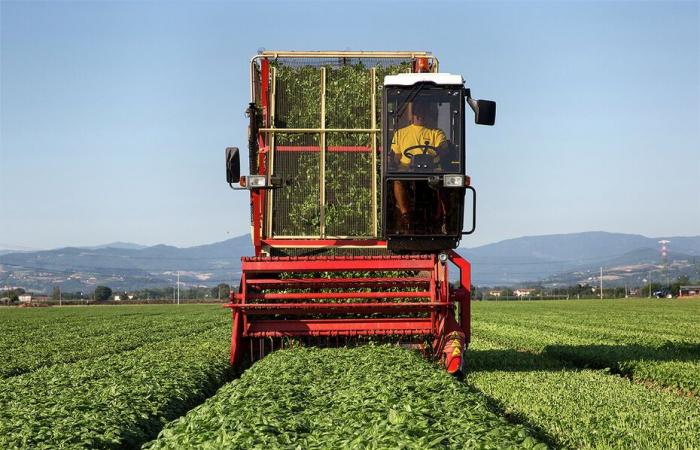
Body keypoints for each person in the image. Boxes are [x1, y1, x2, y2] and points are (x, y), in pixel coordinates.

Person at [389, 101, 449, 233]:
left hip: (432, 169)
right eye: (418, 113)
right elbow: (397, 156)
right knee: (397, 180)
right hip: (407, 169)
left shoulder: (437, 133)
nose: (420, 116)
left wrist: (438, 152)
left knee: (445, 182)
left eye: (422, 113)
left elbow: (443, 149)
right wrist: (394, 162)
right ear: (413, 114)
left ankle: (445, 218)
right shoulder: (400, 133)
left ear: (427, 114)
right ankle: (405, 216)